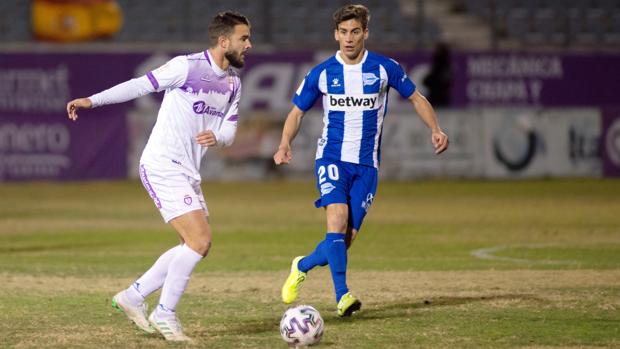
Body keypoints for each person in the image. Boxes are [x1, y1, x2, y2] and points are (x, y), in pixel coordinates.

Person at [66, 11, 252, 341]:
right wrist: (91, 101)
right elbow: (139, 86)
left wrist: (218, 137)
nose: (248, 45)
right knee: (200, 240)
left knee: (192, 245)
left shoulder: (232, 83)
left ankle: (133, 296)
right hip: (162, 164)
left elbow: (230, 129)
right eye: (243, 39)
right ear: (224, 42)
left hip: (189, 171)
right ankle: (165, 313)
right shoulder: (187, 66)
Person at [273, 4, 448, 317]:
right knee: (337, 219)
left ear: (365, 33)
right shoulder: (322, 73)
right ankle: (343, 297)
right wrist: (285, 143)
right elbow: (297, 111)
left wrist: (435, 129)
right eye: (343, 32)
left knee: (344, 239)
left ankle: (302, 264)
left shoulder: (384, 68)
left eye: (355, 32)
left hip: (367, 166)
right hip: (331, 158)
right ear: (335, 34)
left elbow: (416, 98)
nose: (349, 38)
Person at [422, 42, 453, 107]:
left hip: (437, 98)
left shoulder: (440, 66)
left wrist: (428, 81)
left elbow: (430, 80)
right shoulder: (447, 66)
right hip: (443, 98)